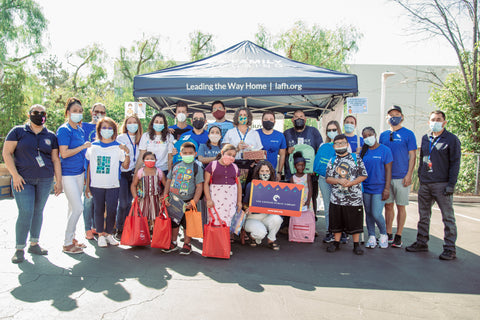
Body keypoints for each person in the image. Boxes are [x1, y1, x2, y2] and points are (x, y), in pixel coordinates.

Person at [3, 104, 63, 263]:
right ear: (29, 115)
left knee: (38, 211)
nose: (39, 115)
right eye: (35, 112)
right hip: (22, 180)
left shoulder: (50, 136)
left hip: (45, 179)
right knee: (26, 212)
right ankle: (19, 248)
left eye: (42, 113)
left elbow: (55, 159)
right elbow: (7, 153)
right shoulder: (18, 131)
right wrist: (15, 175)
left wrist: (58, 181)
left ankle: (34, 243)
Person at [406, 110, 461, 260]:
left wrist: (451, 184)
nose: (434, 122)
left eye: (438, 119)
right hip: (426, 183)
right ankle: (421, 242)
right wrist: (421, 177)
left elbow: (455, 163)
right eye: (432, 119)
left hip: (442, 184)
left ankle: (450, 248)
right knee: (423, 216)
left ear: (444, 122)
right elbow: (423, 158)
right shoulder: (426, 138)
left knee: (448, 217)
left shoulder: (451, 139)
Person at [85, 117, 129, 247]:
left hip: (113, 184)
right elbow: (88, 167)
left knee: (111, 209)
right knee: (98, 209)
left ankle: (109, 234)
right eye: (104, 127)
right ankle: (100, 235)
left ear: (114, 130)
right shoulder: (93, 147)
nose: (107, 130)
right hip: (96, 185)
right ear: (99, 130)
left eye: (110, 128)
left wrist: (127, 152)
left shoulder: (117, 147)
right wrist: (87, 185)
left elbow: (125, 166)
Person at [379, 105, 417, 248]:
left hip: (402, 177)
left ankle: (398, 235)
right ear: (387, 118)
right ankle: (388, 233)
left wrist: (409, 174)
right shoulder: (383, 135)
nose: (394, 116)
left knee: (401, 206)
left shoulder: (408, 134)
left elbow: (413, 156)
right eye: (391, 114)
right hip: (387, 178)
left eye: (397, 114)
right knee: (388, 205)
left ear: (402, 116)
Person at [57, 97, 91, 254]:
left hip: (79, 173)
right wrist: (83, 146)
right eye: (74, 111)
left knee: (72, 208)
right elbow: (63, 153)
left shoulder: (80, 130)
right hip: (68, 174)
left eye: (80, 111)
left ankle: (73, 238)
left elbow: (83, 154)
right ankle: (67, 242)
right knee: (78, 208)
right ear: (68, 112)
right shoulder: (64, 130)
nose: (77, 114)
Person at [325, 134, 368, 255]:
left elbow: (363, 175)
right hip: (337, 198)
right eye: (337, 144)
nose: (340, 146)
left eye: (342, 143)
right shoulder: (332, 160)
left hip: (354, 199)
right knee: (337, 222)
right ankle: (336, 243)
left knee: (355, 222)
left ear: (347, 144)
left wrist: (352, 183)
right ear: (334, 146)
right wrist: (338, 181)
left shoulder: (356, 158)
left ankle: (356, 244)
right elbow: (328, 178)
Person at [163, 142, 204, 255]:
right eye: (185, 153)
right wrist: (165, 195)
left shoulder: (197, 168)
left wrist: (194, 201)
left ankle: (187, 244)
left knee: (187, 224)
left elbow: (199, 186)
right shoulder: (176, 165)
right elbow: (169, 181)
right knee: (174, 223)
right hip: (174, 201)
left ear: (195, 154)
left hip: (188, 201)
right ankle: (173, 242)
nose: (187, 155)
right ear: (180, 154)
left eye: (190, 153)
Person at [283, 110, 323, 215]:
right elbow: (282, 152)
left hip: (311, 175)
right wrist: (287, 151)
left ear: (305, 119)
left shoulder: (313, 132)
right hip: (292, 175)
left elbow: (320, 151)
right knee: (292, 200)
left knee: (311, 198)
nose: (298, 119)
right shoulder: (287, 133)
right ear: (292, 120)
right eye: (296, 117)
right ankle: (291, 224)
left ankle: (312, 224)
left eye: (301, 116)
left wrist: (316, 169)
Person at [360, 127, 393, 249]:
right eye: (365, 136)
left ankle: (384, 234)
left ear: (375, 134)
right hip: (366, 188)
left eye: (370, 135)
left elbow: (388, 171)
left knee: (376, 213)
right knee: (368, 213)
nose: (368, 137)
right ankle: (372, 236)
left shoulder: (385, 150)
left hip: (380, 188)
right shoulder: (363, 152)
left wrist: (387, 188)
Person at [242, 161, 283, 250]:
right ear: (258, 172)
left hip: (266, 216)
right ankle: (253, 237)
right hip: (252, 218)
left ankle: (271, 240)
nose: (265, 173)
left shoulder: (275, 187)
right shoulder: (251, 185)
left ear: (271, 172)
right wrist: (247, 208)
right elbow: (244, 203)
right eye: (262, 171)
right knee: (260, 233)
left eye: (267, 171)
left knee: (278, 219)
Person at [313, 120, 342, 243]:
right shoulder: (323, 146)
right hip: (324, 179)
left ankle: (341, 231)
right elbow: (318, 163)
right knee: (328, 206)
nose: (332, 132)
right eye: (329, 130)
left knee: (340, 205)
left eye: (334, 129)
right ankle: (329, 230)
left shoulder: (344, 145)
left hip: (340, 180)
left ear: (339, 130)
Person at [115, 115, 142, 240]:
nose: (132, 125)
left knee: (131, 202)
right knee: (123, 202)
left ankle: (127, 227)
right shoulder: (120, 138)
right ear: (125, 125)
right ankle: (119, 228)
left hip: (135, 173)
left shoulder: (141, 138)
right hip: (123, 173)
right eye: (129, 122)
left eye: (135, 122)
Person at [81, 103, 106, 240]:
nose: (99, 114)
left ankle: (96, 227)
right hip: (86, 168)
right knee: (88, 200)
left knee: (99, 201)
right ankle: (87, 228)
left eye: (102, 112)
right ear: (91, 112)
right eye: (97, 111)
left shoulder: (106, 128)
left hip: (100, 169)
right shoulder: (83, 126)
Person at [204, 144, 242, 227]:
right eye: (229, 154)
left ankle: (225, 239)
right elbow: (206, 183)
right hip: (215, 200)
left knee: (229, 222)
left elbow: (238, 185)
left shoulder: (235, 167)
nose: (231, 157)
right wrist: (209, 199)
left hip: (230, 201)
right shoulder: (212, 165)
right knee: (215, 221)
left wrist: (239, 201)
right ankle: (215, 239)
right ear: (222, 152)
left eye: (233, 156)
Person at [130, 152, 166, 230]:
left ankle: (155, 234)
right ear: (143, 161)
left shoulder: (159, 172)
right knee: (143, 217)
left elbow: (166, 185)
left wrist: (163, 195)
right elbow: (133, 185)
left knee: (156, 216)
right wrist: (135, 197)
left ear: (156, 160)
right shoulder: (140, 172)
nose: (150, 160)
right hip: (143, 198)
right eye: (147, 159)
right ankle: (144, 234)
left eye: (152, 159)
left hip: (156, 199)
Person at [137, 112, 174, 177]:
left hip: (163, 170)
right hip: (148, 170)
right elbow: (141, 155)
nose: (158, 124)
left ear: (164, 124)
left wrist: (169, 175)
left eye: (161, 122)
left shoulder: (169, 137)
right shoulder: (145, 136)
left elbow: (170, 157)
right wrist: (136, 172)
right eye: (156, 122)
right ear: (152, 123)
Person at [257, 111, 286, 181]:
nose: (268, 121)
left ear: (274, 122)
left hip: (272, 173)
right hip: (257, 173)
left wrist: (279, 172)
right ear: (262, 121)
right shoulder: (255, 134)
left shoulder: (280, 136)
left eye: (271, 119)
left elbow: (282, 155)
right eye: (266, 119)